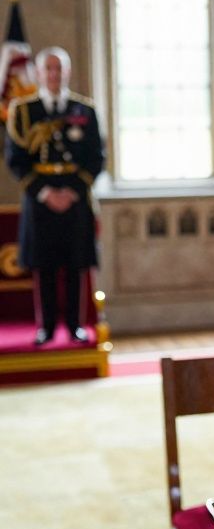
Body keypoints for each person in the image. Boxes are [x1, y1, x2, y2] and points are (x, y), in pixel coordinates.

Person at [5, 46, 103, 346]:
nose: (53, 75)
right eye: (48, 69)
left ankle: (75, 325)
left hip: (75, 199)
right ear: (37, 73)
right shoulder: (23, 110)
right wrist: (46, 193)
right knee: (44, 267)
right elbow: (15, 159)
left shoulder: (83, 109)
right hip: (40, 201)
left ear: (67, 72)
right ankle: (45, 327)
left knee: (75, 266)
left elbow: (96, 158)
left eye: (58, 69)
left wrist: (72, 192)